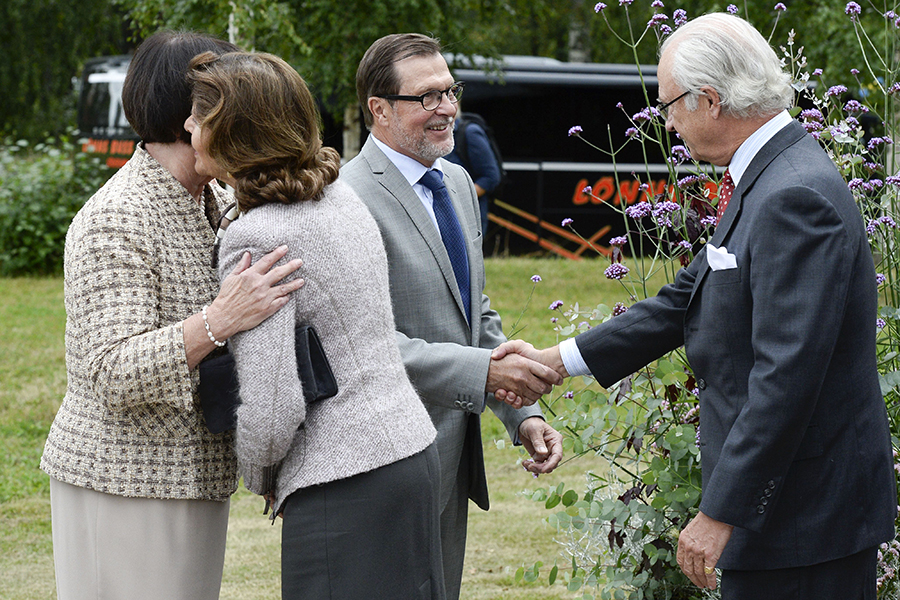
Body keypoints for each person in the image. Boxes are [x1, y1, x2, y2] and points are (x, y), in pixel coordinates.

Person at [493, 13, 897, 599]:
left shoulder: (792, 196)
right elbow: (688, 297)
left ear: (709, 100)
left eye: (669, 104)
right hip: (789, 518)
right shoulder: (767, 174)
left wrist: (721, 512)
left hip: (802, 525)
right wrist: (558, 359)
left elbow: (786, 376)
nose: (666, 121)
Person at [39, 31, 306, 600]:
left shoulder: (218, 199)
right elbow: (112, 369)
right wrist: (218, 320)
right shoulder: (116, 217)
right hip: (124, 482)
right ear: (193, 112)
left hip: (196, 477)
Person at [185, 50, 444, 599]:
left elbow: (273, 406)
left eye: (199, 115)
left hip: (344, 481)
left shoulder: (257, 236)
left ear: (234, 132)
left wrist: (260, 476)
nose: (188, 125)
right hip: (409, 453)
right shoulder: (339, 196)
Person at [340, 33, 564, 600]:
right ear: (380, 109)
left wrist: (523, 414)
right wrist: (483, 374)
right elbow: (358, 344)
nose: (447, 109)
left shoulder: (457, 182)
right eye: (428, 97)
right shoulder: (344, 199)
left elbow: (474, 314)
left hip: (450, 460)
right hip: (383, 464)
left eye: (450, 91)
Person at [445, 111, 502, 234]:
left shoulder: (470, 132)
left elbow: (491, 177)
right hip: (444, 216)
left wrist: (454, 200)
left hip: (468, 218)